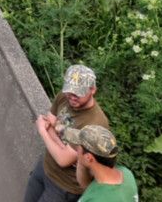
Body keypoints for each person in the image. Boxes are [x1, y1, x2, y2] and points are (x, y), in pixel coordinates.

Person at [25, 64, 111, 202]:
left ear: (93, 90)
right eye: (69, 91)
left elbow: (63, 160)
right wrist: (61, 146)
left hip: (64, 186)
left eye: (78, 93)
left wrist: (43, 131)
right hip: (45, 166)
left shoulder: (94, 124)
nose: (72, 97)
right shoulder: (65, 97)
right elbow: (50, 121)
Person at [62, 126, 134, 201]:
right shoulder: (126, 174)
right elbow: (88, 187)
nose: (77, 149)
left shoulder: (95, 199)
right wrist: (82, 160)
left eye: (78, 146)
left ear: (88, 158)